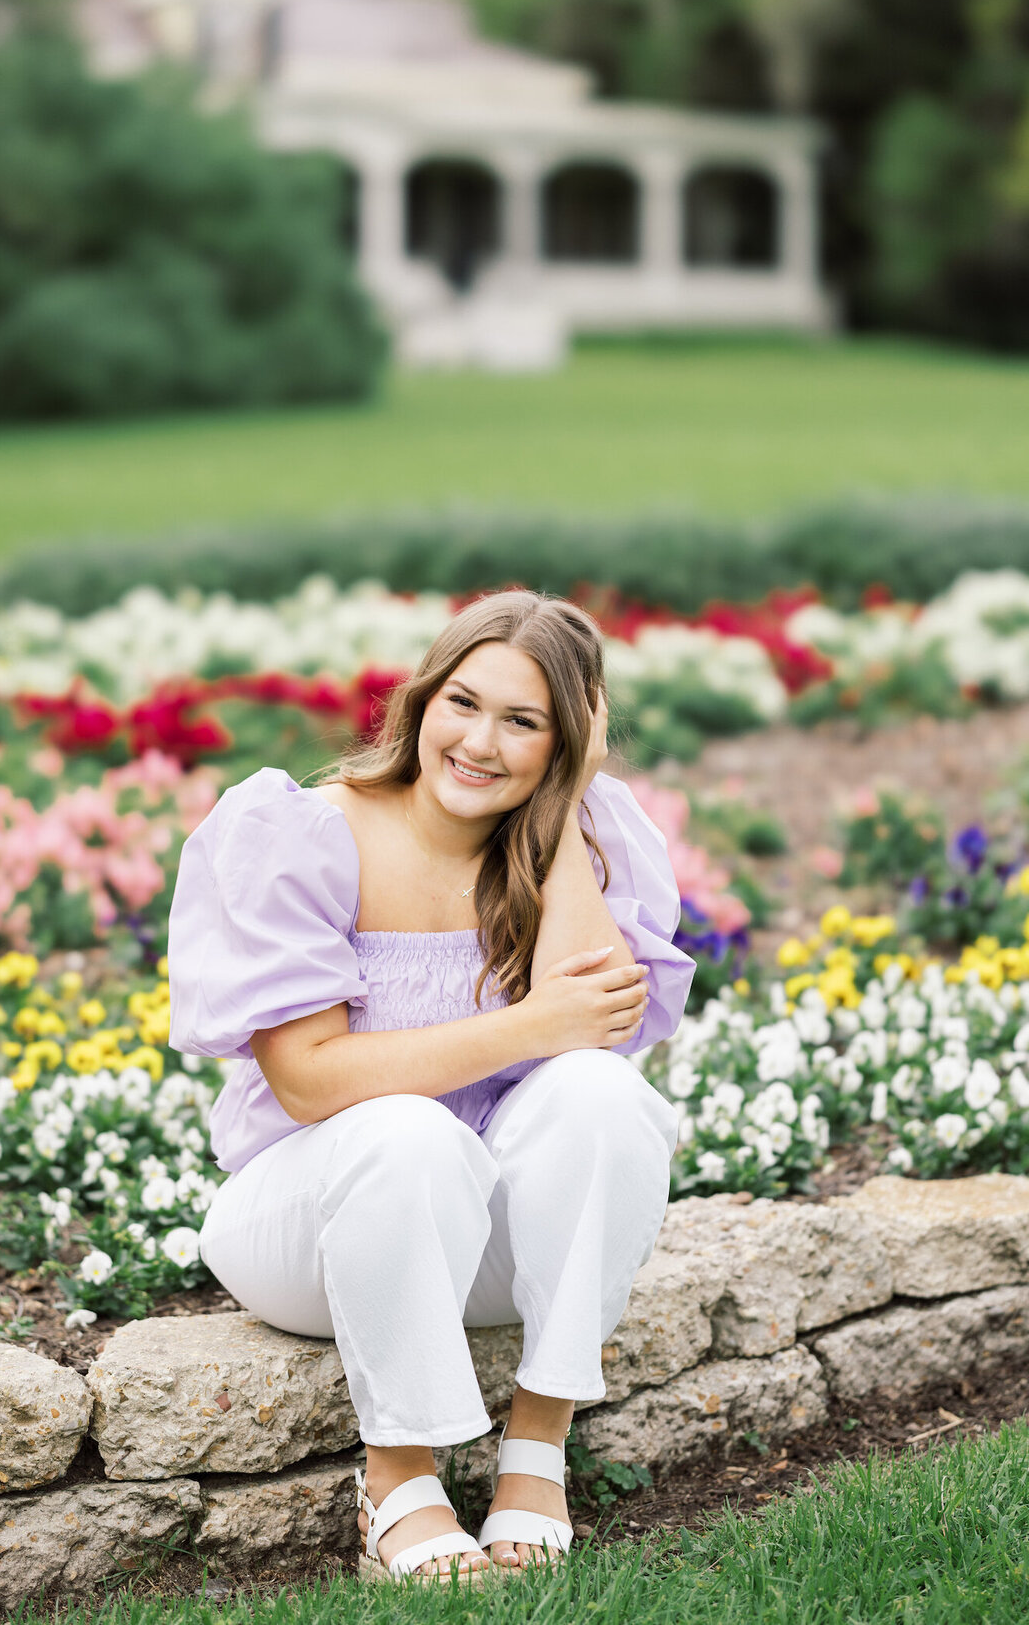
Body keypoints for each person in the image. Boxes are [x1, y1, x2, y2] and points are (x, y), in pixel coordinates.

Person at [168, 591, 694, 1584]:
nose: (481, 742)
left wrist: (569, 801)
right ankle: (397, 1480)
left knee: (601, 1093)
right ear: (423, 699)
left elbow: (595, 1032)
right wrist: (525, 1024)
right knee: (405, 1129)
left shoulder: (576, 837)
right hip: (307, 1229)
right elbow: (311, 1078)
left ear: (564, 742)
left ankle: (536, 1450)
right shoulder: (305, 830)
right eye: (464, 701)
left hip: (473, 1239)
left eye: (526, 723)